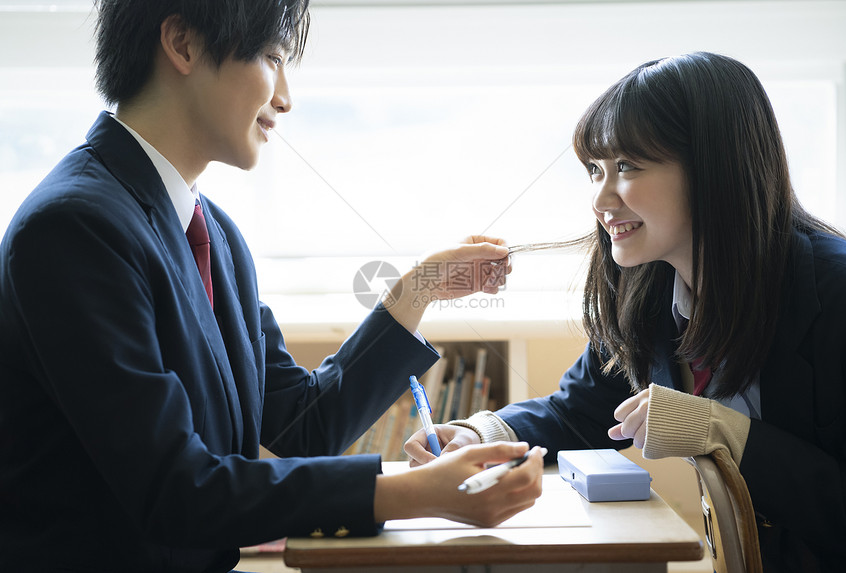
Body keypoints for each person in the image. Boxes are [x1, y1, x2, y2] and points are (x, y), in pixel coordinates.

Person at [0, 1, 545, 571]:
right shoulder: (73, 227)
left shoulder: (215, 234)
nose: (285, 96)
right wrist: (418, 493)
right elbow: (174, 489)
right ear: (183, 45)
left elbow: (302, 424)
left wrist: (420, 289)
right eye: (271, 57)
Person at [405, 52, 846, 572]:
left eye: (627, 167)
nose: (601, 199)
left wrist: (727, 433)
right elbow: (580, 412)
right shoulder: (649, 288)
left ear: (715, 167)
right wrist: (484, 434)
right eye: (595, 170)